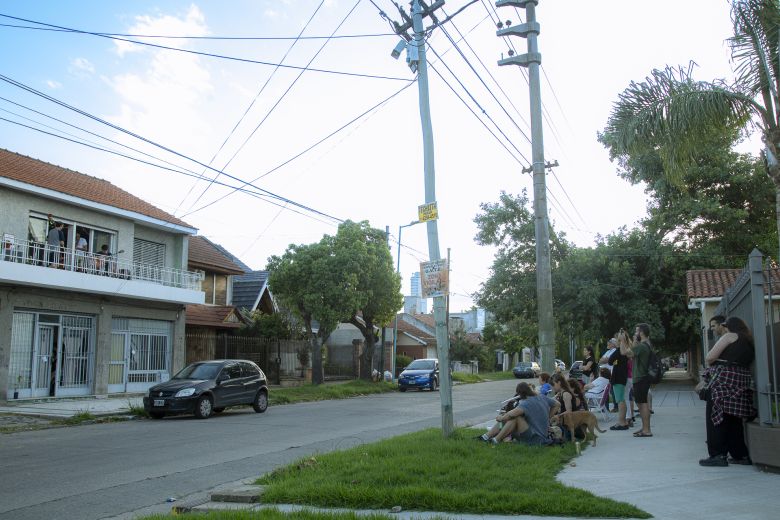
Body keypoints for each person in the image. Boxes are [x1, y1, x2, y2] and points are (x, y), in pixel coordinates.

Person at [699, 317, 755, 467]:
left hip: (723, 381)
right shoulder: (748, 340)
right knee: (733, 419)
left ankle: (718, 454)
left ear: (728, 326)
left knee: (715, 416)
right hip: (740, 381)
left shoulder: (730, 336)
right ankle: (740, 454)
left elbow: (710, 357)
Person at [478, 382, 560, 446]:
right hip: (541, 433)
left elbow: (511, 414)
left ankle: (495, 440)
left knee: (515, 417)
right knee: (512, 417)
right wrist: (549, 417)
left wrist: (501, 418)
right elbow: (557, 404)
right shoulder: (542, 397)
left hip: (535, 437)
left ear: (520, 394)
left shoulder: (526, 403)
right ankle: (486, 437)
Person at [626, 323, 653, 437]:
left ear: (641, 332)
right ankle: (645, 428)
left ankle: (646, 430)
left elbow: (627, 353)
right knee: (641, 403)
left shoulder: (642, 346)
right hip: (642, 377)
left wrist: (624, 341)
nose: (635, 333)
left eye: (637, 331)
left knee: (642, 404)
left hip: (640, 378)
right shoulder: (645, 344)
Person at [606, 329, 632, 430]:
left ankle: (621, 422)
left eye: (616, 339)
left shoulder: (619, 350)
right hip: (622, 377)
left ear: (620, 340)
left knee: (620, 400)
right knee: (622, 399)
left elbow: (610, 361)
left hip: (618, 378)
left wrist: (620, 341)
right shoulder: (626, 349)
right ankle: (624, 421)